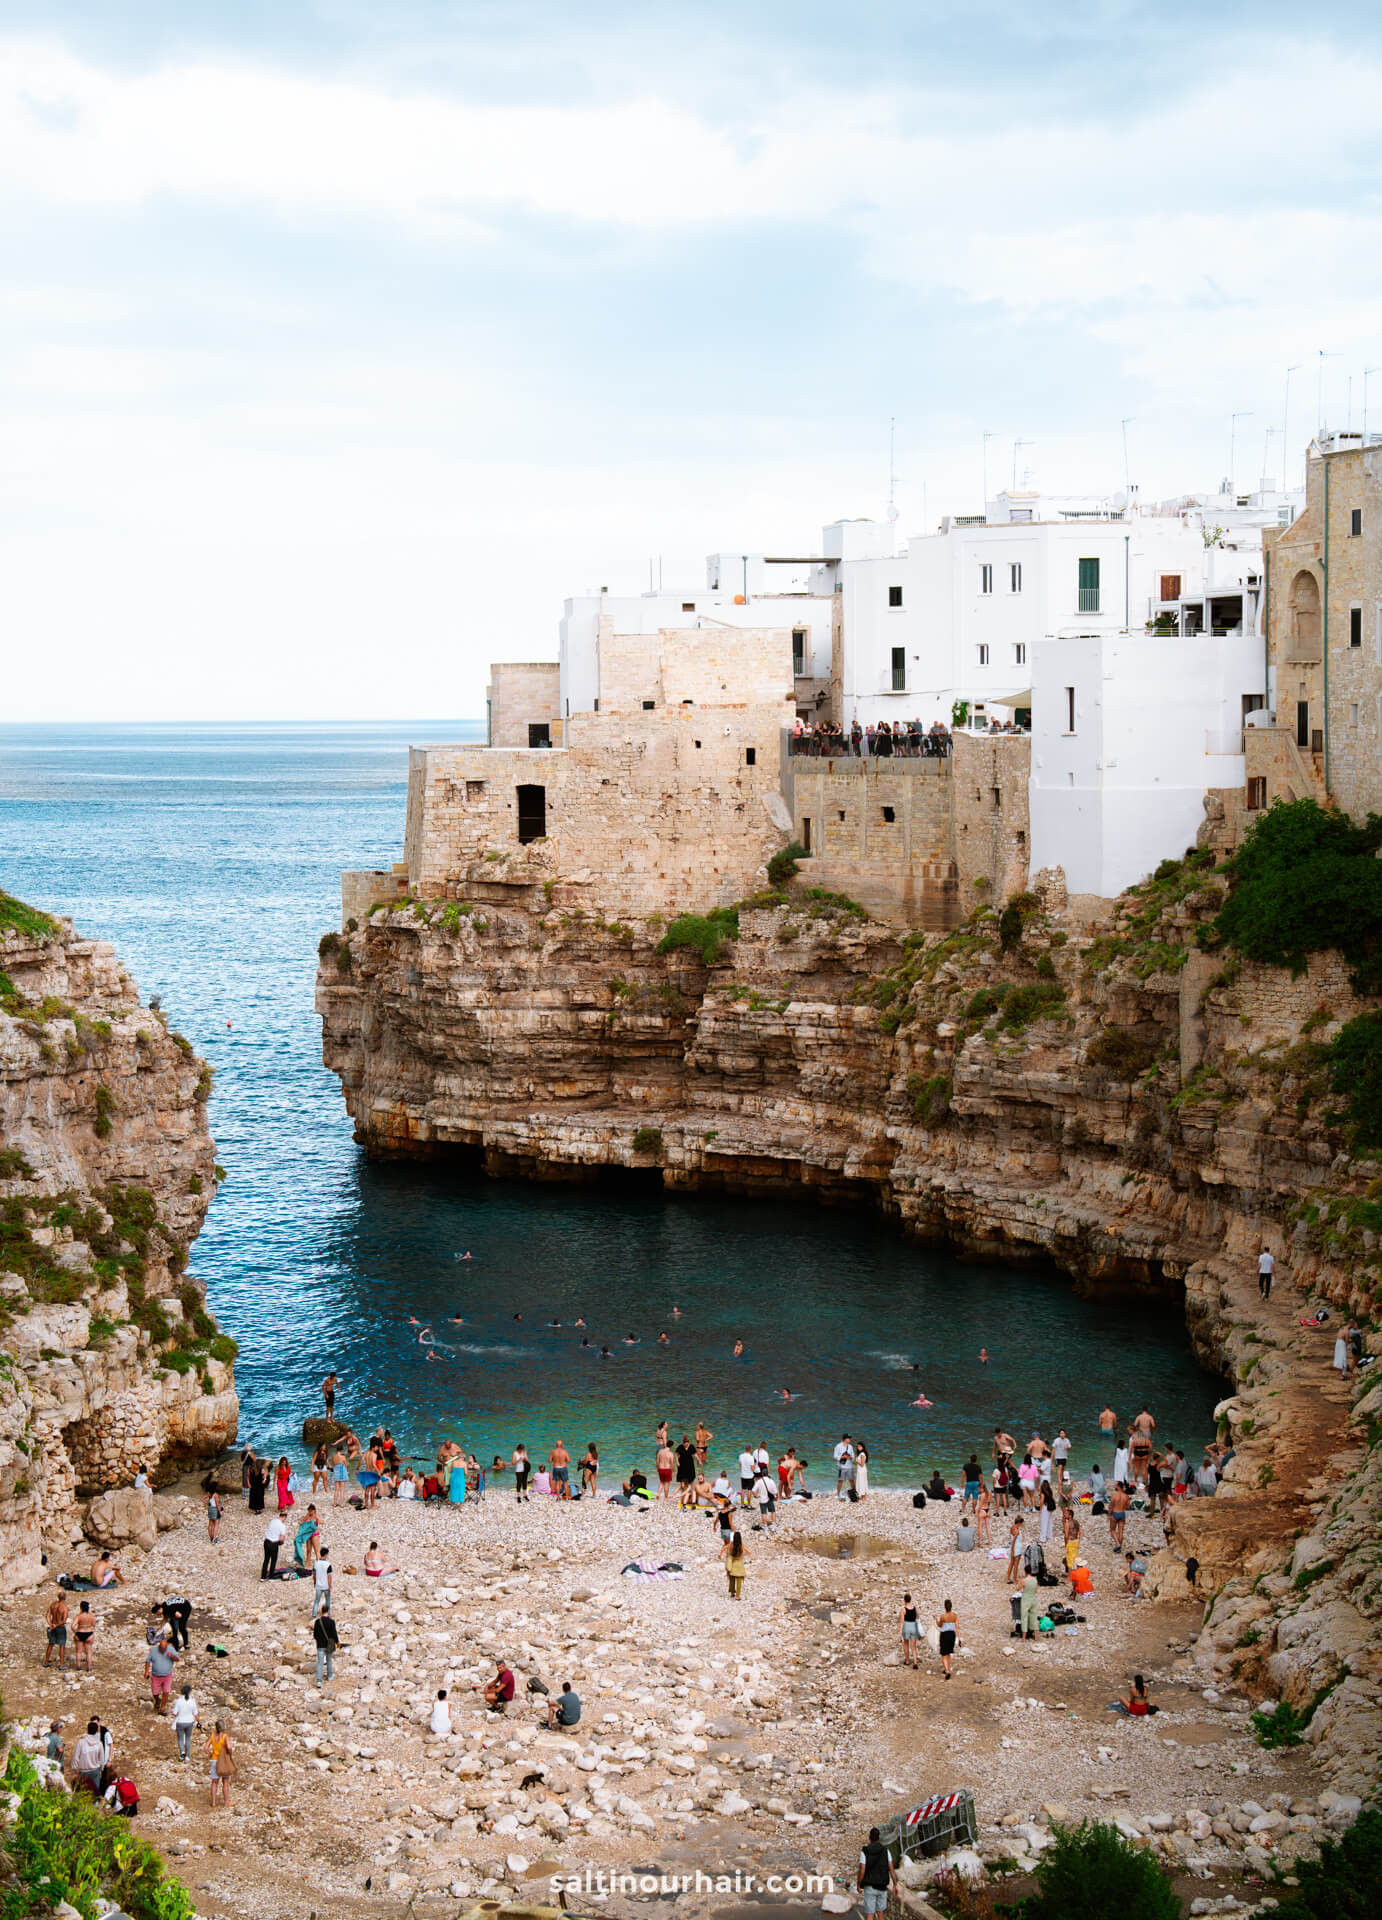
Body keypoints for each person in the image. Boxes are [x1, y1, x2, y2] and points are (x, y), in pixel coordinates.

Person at [857, 1827, 899, 1916]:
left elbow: (862, 1871)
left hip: (870, 1886)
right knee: (880, 1912)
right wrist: (895, 1885)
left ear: (869, 1837)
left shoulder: (865, 1851)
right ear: (879, 1838)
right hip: (882, 1886)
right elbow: (891, 1869)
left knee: (870, 1913)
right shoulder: (886, 1851)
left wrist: (859, 1884)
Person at [145, 1629, 179, 1713]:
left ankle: (162, 1707)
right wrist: (146, 1671)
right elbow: (148, 1660)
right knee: (155, 1692)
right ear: (159, 1646)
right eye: (162, 1649)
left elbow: (177, 1659)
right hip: (156, 1676)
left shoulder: (171, 1649)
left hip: (167, 1675)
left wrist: (172, 1657)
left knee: (166, 1691)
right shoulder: (153, 1650)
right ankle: (157, 1700)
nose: (163, 1651)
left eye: (165, 1649)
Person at [71, 1720, 105, 1794]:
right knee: (95, 1793)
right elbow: (102, 1759)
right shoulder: (99, 1743)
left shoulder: (81, 1742)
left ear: (87, 1729)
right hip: (95, 1771)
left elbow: (76, 1757)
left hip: (84, 1771)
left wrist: (74, 1770)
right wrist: (101, 1770)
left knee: (83, 1793)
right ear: (96, 1731)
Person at [207, 1720, 234, 1808]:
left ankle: (213, 1802)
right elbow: (229, 1747)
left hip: (214, 1760)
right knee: (225, 1782)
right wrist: (230, 1753)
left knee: (214, 1782)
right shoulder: (225, 1737)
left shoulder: (212, 1736)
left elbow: (205, 1747)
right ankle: (226, 1802)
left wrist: (210, 1754)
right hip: (223, 1761)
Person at [172, 1685, 199, 1761]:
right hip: (189, 1722)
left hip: (180, 1721)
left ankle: (182, 1753)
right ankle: (187, 1756)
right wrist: (199, 1721)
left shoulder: (179, 1701)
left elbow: (174, 1713)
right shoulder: (192, 1701)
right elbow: (195, 1714)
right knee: (187, 1738)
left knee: (180, 1738)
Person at [721, 1529, 748, 1600]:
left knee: (732, 1579)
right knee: (739, 1580)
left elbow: (725, 1549)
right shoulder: (741, 1546)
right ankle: (737, 1596)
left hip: (732, 1564)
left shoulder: (730, 1545)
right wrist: (743, 1555)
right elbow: (749, 1551)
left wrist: (723, 1555)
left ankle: (732, 1593)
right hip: (739, 1564)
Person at [44, 1593, 69, 1669]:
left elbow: (47, 1615)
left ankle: (46, 1661)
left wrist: (50, 1624)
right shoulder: (64, 1607)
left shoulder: (53, 1605)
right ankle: (61, 1664)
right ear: (65, 1598)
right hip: (60, 1627)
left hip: (52, 1627)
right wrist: (56, 1625)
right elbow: (64, 1620)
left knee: (51, 1644)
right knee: (62, 1646)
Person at [936, 1598, 959, 1678]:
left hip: (944, 1635)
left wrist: (935, 1618)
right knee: (948, 1652)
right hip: (952, 1634)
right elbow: (957, 1627)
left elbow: (939, 1625)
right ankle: (947, 1668)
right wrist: (959, 1638)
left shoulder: (943, 1616)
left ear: (945, 1607)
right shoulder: (955, 1615)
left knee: (943, 1653)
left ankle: (947, 1671)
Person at [675, 1434, 698, 1506]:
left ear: (688, 1442)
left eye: (686, 1442)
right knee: (683, 1484)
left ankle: (693, 1501)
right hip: (682, 1466)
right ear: (683, 1443)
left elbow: (695, 1455)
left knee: (692, 1482)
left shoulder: (691, 1447)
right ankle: (684, 1498)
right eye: (684, 1442)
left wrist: (699, 1461)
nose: (685, 1443)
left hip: (690, 1466)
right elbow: (676, 1455)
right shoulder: (680, 1447)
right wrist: (677, 1462)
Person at [261, 1511, 286, 1579]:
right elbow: (281, 1538)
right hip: (274, 1543)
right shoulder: (282, 1525)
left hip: (266, 1542)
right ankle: (271, 1576)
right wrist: (281, 1543)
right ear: (284, 1518)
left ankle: (263, 1576)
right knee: (273, 1560)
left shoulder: (272, 1521)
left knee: (266, 1559)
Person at [900, 1592, 921, 1668]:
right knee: (913, 1646)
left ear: (904, 1600)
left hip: (906, 1626)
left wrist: (900, 1631)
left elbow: (902, 1621)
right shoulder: (914, 1608)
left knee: (906, 1643)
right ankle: (915, 1662)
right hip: (913, 1626)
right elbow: (918, 1617)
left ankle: (907, 1660)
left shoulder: (903, 1609)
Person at [1108, 1480, 1130, 1551]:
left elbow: (1111, 1506)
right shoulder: (1126, 1496)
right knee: (1121, 1531)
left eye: (1116, 1485)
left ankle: (1117, 1544)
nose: (1115, 1486)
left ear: (1118, 1486)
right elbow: (1128, 1507)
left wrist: (1109, 1514)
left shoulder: (1114, 1495)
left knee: (1112, 1530)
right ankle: (1119, 1549)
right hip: (1122, 1514)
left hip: (1115, 1513)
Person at [833, 1434, 854, 1500]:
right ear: (845, 1439)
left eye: (850, 1438)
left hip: (849, 1466)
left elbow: (853, 1456)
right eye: (849, 1438)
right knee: (840, 1480)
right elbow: (835, 1456)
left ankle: (854, 1493)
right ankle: (837, 1494)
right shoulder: (838, 1446)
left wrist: (850, 1457)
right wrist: (842, 1457)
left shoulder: (850, 1446)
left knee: (852, 1480)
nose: (850, 1440)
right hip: (841, 1466)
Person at [1019, 1571, 1039, 1640]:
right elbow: (1036, 1590)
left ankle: (1024, 1637)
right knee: (1034, 1617)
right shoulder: (1035, 1580)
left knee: (1024, 1617)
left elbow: (1018, 1588)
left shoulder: (1024, 1580)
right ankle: (1036, 1636)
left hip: (1025, 1600)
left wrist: (1020, 1579)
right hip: (1033, 1599)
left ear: (1025, 1571)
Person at [312, 1550, 332, 1617]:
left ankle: (313, 1615)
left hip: (318, 1586)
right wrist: (330, 1586)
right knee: (328, 1600)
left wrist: (314, 1583)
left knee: (316, 1601)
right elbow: (329, 1577)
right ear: (326, 1554)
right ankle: (328, 1614)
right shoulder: (328, 1564)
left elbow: (314, 1575)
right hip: (326, 1586)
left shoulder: (316, 1563)